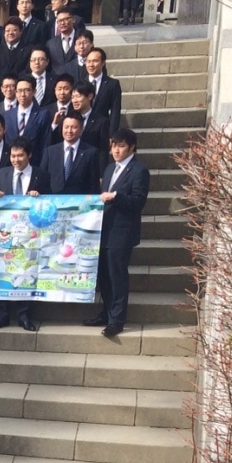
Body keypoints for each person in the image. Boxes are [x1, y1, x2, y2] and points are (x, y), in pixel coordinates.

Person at [87, 128, 149, 337]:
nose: (116, 150)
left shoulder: (139, 170)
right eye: (114, 145)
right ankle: (106, 313)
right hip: (104, 229)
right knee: (104, 275)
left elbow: (138, 201)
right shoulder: (109, 169)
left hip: (122, 232)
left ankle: (117, 320)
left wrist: (116, 196)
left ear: (131, 147)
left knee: (117, 276)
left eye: (121, 146)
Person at [0, 137, 47, 331]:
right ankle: (1, 316)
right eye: (13, 156)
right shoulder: (3, 173)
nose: (16, 160)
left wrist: (40, 196)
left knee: (25, 271)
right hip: (6, 233)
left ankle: (24, 317)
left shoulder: (41, 175)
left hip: (30, 234)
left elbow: (50, 202)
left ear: (29, 155)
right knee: (2, 271)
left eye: (20, 156)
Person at [41, 110, 100, 193]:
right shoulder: (50, 152)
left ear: (81, 129)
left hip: (79, 200)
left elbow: (94, 184)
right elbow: (42, 178)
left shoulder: (90, 152)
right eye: (66, 127)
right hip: (53, 199)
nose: (69, 131)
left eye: (73, 127)